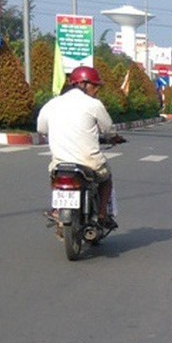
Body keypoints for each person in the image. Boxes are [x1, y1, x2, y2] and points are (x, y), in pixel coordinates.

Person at [37, 66, 125, 229]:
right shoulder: (94, 104)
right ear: (83, 84)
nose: (97, 90)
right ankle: (102, 215)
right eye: (95, 85)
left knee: (54, 177)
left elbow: (41, 129)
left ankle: (57, 209)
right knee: (106, 179)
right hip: (89, 162)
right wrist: (114, 138)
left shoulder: (52, 103)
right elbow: (108, 129)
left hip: (60, 162)